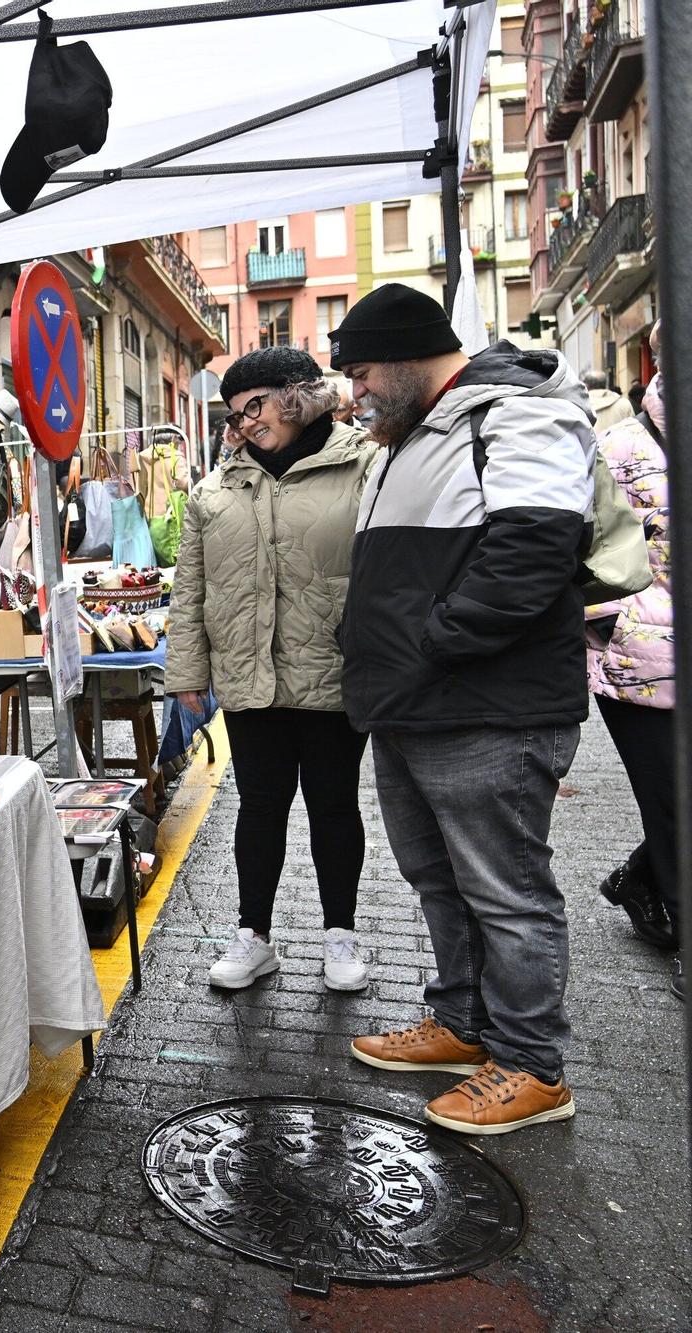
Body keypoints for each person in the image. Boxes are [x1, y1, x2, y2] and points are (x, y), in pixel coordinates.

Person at [331, 283, 595, 1135]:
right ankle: (462, 1022)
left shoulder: (513, 412)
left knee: (506, 891)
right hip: (415, 706)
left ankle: (532, 1064)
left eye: (364, 370)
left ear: (408, 353)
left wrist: (437, 642)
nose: (356, 389)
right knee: (440, 881)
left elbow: (534, 551)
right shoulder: (411, 436)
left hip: (485, 709)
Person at [163, 347, 379, 993]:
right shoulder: (217, 488)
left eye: (254, 405)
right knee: (259, 806)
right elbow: (190, 588)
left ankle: (340, 934)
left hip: (332, 672)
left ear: (297, 394)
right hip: (248, 676)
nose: (245, 422)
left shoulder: (366, 466)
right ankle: (253, 936)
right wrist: (186, 673)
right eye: (235, 413)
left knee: (334, 807)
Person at [587, 325, 678, 999]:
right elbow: (583, 546)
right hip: (638, 664)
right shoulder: (619, 447)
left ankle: (642, 878)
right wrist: (605, 630)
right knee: (674, 806)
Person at [583, 367, 634, 432]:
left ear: (586, 386)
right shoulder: (624, 404)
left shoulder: (577, 407)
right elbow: (634, 431)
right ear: (605, 384)